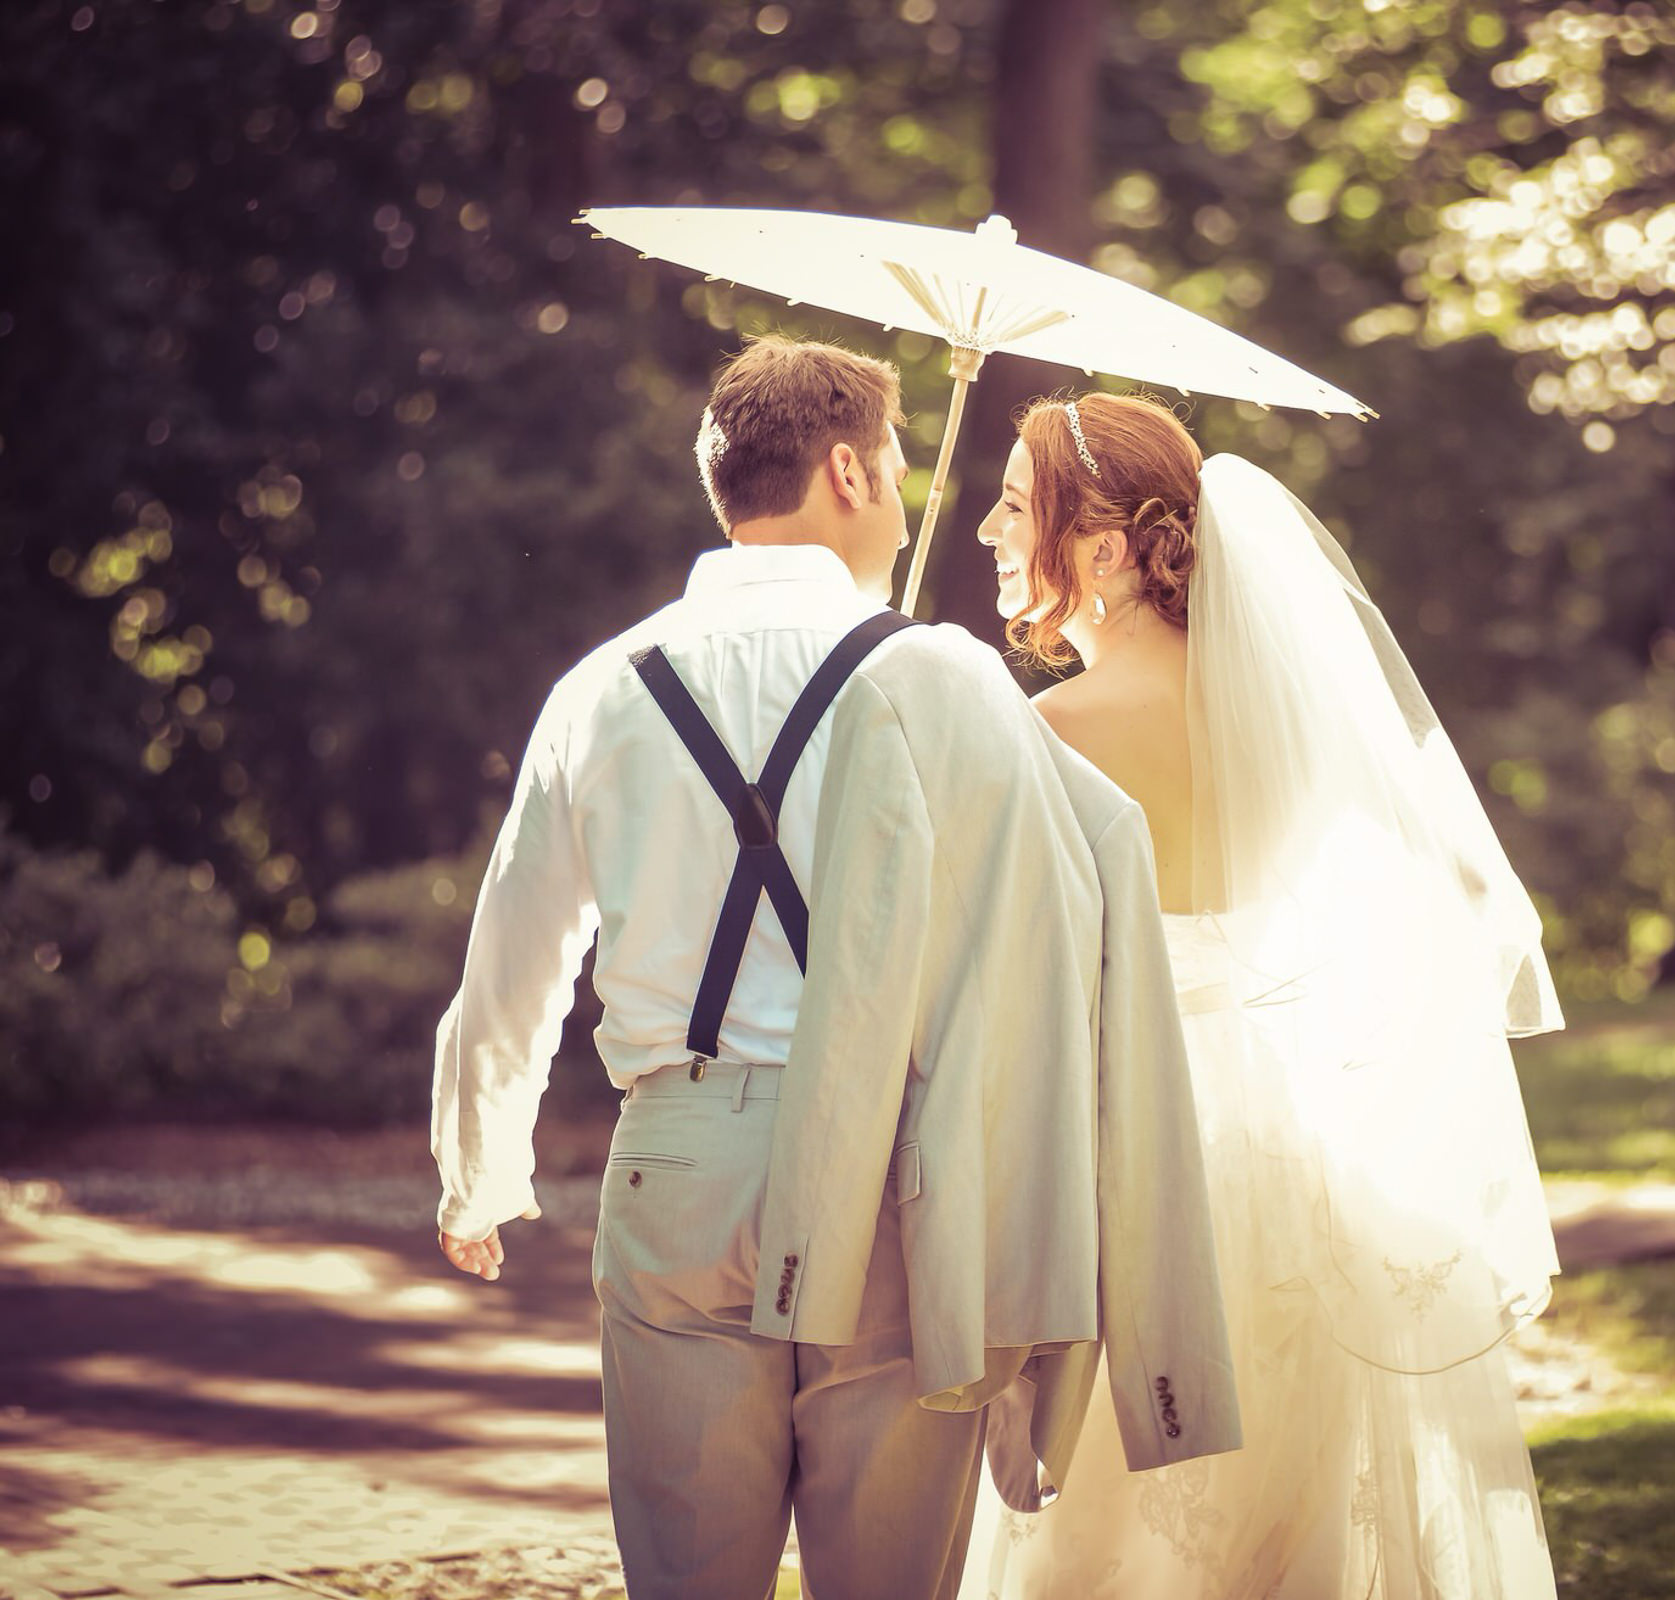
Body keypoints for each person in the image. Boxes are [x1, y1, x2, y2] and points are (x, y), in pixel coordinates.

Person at [429, 337, 1237, 1600]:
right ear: (850, 470)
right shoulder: (944, 677)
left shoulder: (601, 687)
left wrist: (479, 1170)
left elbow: (514, 959)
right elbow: (1050, 917)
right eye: (905, 464)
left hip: (680, 1165)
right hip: (890, 1179)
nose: (914, 494)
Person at [964, 392, 1566, 1598]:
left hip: (1124, 1168)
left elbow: (1011, 997)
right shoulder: (1287, 721)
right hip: (1293, 1166)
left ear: (1101, 547)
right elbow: (1445, 900)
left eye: (1015, 505)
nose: (983, 528)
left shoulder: (1044, 732)